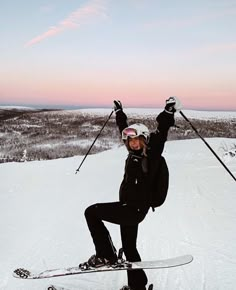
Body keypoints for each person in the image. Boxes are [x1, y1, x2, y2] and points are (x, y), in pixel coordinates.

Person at [81, 97, 179, 290]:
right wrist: (119, 112)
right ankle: (138, 286)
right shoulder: (133, 154)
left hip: (133, 210)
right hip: (130, 209)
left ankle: (105, 255)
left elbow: (162, 131)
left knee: (91, 212)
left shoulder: (151, 155)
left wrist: (168, 112)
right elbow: (122, 128)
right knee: (129, 248)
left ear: (145, 140)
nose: (133, 144)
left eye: (137, 140)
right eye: (130, 141)